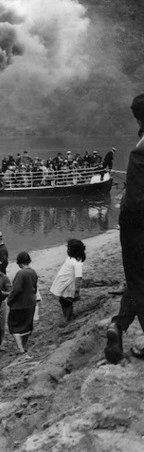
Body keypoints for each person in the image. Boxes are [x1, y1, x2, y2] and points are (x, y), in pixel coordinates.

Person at [105, 94, 144, 364]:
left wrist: (124, 227)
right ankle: (118, 325)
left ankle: (118, 326)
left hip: (137, 227)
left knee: (138, 279)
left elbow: (135, 201)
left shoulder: (139, 151)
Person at [7, 251, 38, 355]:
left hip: (19, 305)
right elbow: (35, 288)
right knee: (27, 325)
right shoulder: (33, 272)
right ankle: (23, 345)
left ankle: (20, 348)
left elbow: (16, 289)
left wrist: (10, 300)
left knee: (14, 326)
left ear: (19, 262)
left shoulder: (21, 273)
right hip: (31, 303)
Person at [50, 239, 86, 322]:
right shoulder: (69, 259)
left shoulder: (77, 263)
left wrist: (77, 290)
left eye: (69, 249)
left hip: (69, 285)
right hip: (64, 284)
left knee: (67, 302)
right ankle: (66, 316)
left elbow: (78, 277)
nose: (67, 250)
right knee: (62, 300)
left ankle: (68, 318)